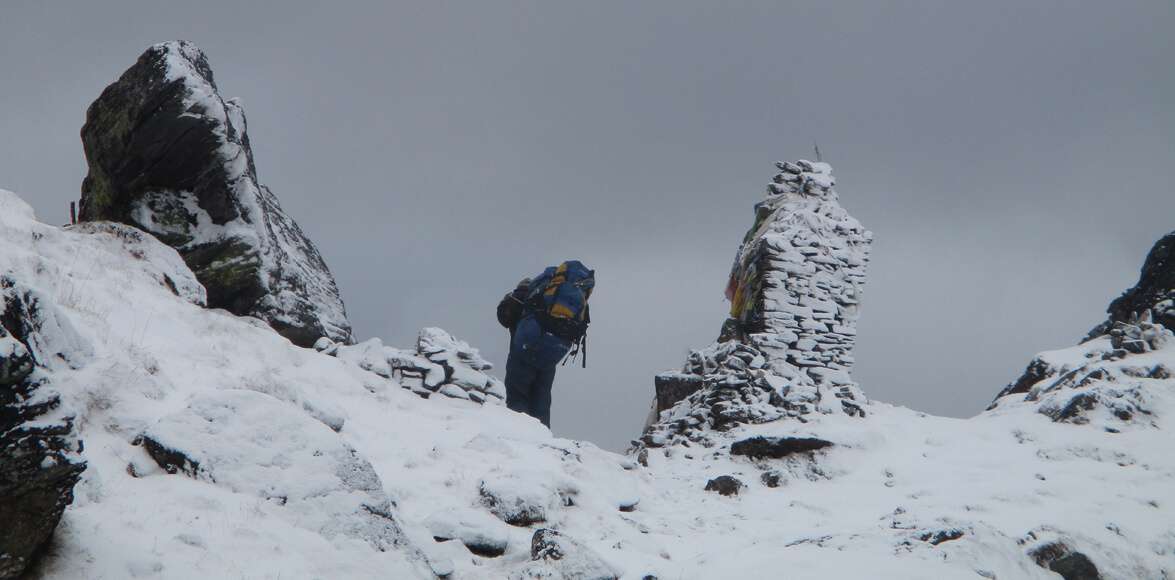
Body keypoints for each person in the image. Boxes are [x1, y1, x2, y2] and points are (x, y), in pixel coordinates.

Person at [496, 261, 594, 427]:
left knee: (518, 396)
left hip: (523, 351)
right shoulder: (565, 296)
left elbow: (504, 317)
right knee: (541, 402)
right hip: (551, 356)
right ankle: (542, 440)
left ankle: (517, 436)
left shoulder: (530, 293)